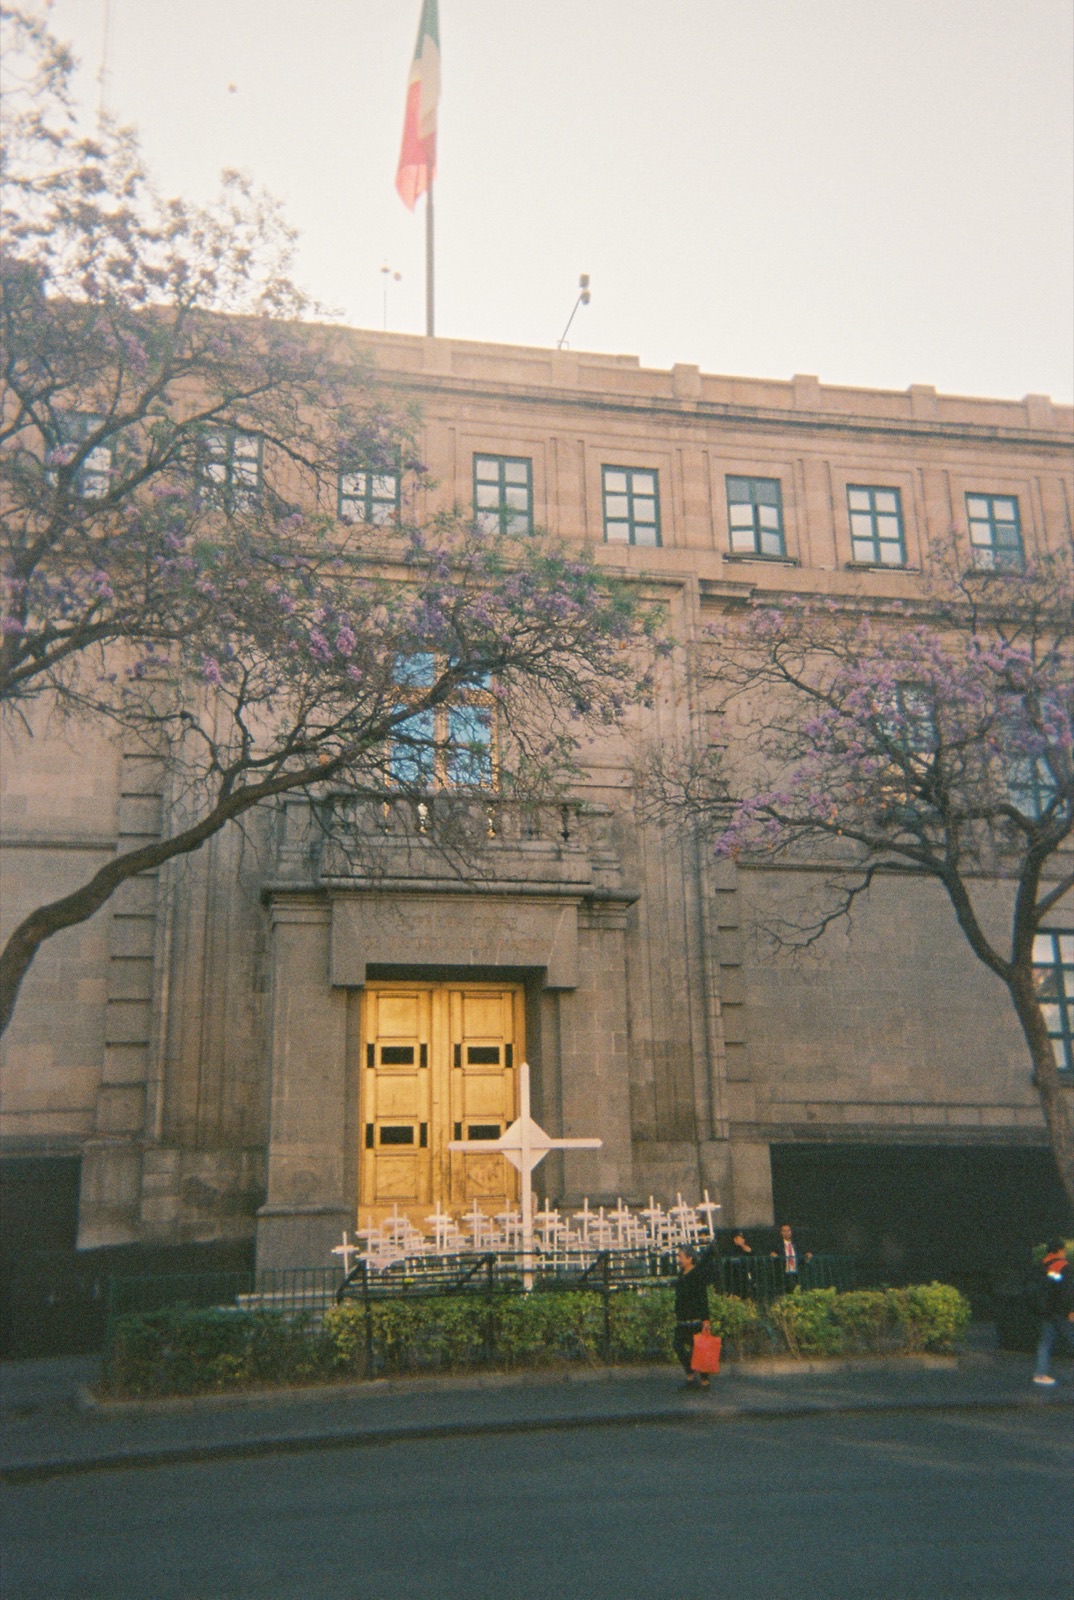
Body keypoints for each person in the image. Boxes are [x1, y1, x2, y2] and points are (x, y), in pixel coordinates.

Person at [1032, 1239, 1074, 1386]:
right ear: (1059, 1250)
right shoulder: (1064, 1267)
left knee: (1045, 1343)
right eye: (1063, 1250)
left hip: (1046, 1310)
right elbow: (1067, 1291)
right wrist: (1070, 1310)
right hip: (1061, 1312)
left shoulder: (1041, 1265)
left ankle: (1040, 1374)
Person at [673, 1245, 711, 1390]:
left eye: (681, 1257)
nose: (679, 1260)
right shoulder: (681, 1273)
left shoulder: (697, 1274)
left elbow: (703, 1297)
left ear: (690, 1258)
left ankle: (704, 1381)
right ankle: (690, 1374)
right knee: (678, 1345)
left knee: (699, 1349)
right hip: (683, 1316)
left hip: (695, 1316)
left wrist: (705, 1319)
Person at [770, 1223, 812, 1292]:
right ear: (781, 1233)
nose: (787, 1233)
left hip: (796, 1272)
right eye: (784, 1231)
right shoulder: (777, 1245)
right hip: (784, 1272)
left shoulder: (796, 1243)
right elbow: (773, 1256)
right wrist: (773, 1255)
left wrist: (807, 1257)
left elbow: (801, 1256)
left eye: (788, 1230)